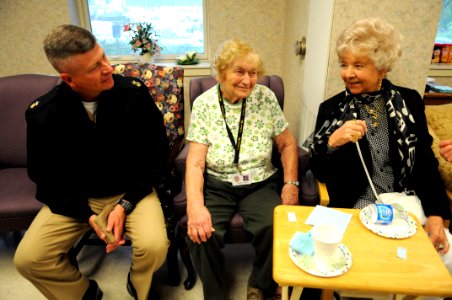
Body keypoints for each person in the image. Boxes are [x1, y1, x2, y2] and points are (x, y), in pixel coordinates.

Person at [14, 24, 170, 300]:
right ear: (69, 79)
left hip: (131, 191)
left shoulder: (134, 94)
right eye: (94, 68)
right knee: (28, 259)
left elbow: (157, 157)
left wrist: (125, 205)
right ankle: (83, 293)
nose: (108, 68)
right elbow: (45, 178)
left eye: (104, 58)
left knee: (154, 245)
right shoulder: (43, 114)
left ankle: (137, 282)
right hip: (76, 199)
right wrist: (86, 214)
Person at [309, 17, 452, 294]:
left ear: (382, 68)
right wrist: (332, 143)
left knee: (440, 266)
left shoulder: (409, 102)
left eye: (358, 65)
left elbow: (425, 163)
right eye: (344, 64)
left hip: (405, 206)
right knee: (366, 278)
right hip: (355, 208)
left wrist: (436, 215)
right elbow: (320, 172)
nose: (348, 73)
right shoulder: (331, 109)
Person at [185, 39, 299, 300]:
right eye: (239, 72)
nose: (248, 80)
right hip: (218, 184)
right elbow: (195, 161)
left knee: (275, 224)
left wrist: (290, 184)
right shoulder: (204, 104)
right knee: (201, 233)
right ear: (221, 72)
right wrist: (195, 206)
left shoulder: (266, 97)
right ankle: (214, 293)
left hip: (259, 182)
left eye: (253, 73)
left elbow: (287, 144)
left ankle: (260, 284)